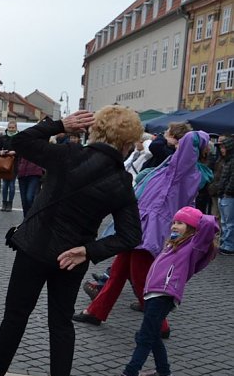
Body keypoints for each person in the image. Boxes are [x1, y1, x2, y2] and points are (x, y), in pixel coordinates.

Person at [0, 107, 143, 376]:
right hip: (71, 259)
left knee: (16, 314)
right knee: (61, 323)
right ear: (128, 141)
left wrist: (59, 124)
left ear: (96, 130)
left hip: (35, 248)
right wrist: (88, 251)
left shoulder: (69, 154)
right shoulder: (121, 181)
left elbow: (19, 141)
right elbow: (131, 236)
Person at [72, 129, 211, 336]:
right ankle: (95, 312)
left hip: (150, 230)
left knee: (141, 278)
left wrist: (171, 136)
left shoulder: (184, 171)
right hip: (141, 226)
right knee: (118, 272)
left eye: (182, 144)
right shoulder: (174, 167)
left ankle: (159, 324)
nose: (177, 145)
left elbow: (185, 144)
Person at [107, 207, 219, 376]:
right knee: (153, 335)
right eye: (174, 222)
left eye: (181, 223)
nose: (175, 225)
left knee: (144, 337)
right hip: (154, 294)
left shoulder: (194, 246)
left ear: (193, 229)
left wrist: (197, 218)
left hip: (164, 295)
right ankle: (163, 374)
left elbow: (209, 224)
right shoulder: (173, 244)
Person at [214, 135, 234, 255]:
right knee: (225, 222)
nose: (221, 150)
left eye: (223, 147)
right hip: (224, 194)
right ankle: (225, 243)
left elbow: (232, 179)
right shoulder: (227, 160)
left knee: (229, 222)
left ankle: (229, 245)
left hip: (229, 195)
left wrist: (227, 191)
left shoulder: (231, 161)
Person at [0, 120, 18, 211]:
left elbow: (24, 150)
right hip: (4, 163)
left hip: (15, 163)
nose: (11, 129)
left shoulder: (19, 137)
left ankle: (10, 204)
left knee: (12, 185)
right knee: (5, 185)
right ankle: (4, 203)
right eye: (10, 127)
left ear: (16, 128)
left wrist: (15, 152)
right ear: (7, 128)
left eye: (13, 128)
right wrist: (0, 152)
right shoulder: (3, 138)